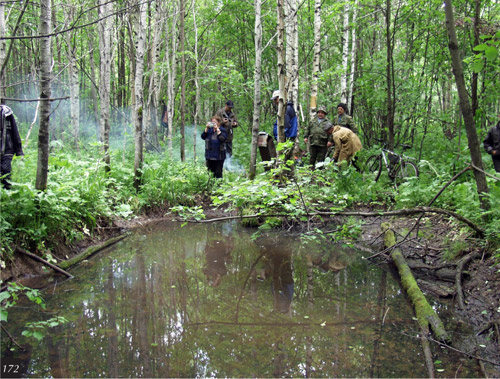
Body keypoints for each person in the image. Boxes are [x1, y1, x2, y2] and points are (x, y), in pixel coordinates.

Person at [0, 105, 24, 189]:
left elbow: (14, 131)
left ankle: (7, 194)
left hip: (7, 148)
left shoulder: (7, 112)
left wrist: (19, 149)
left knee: (5, 171)